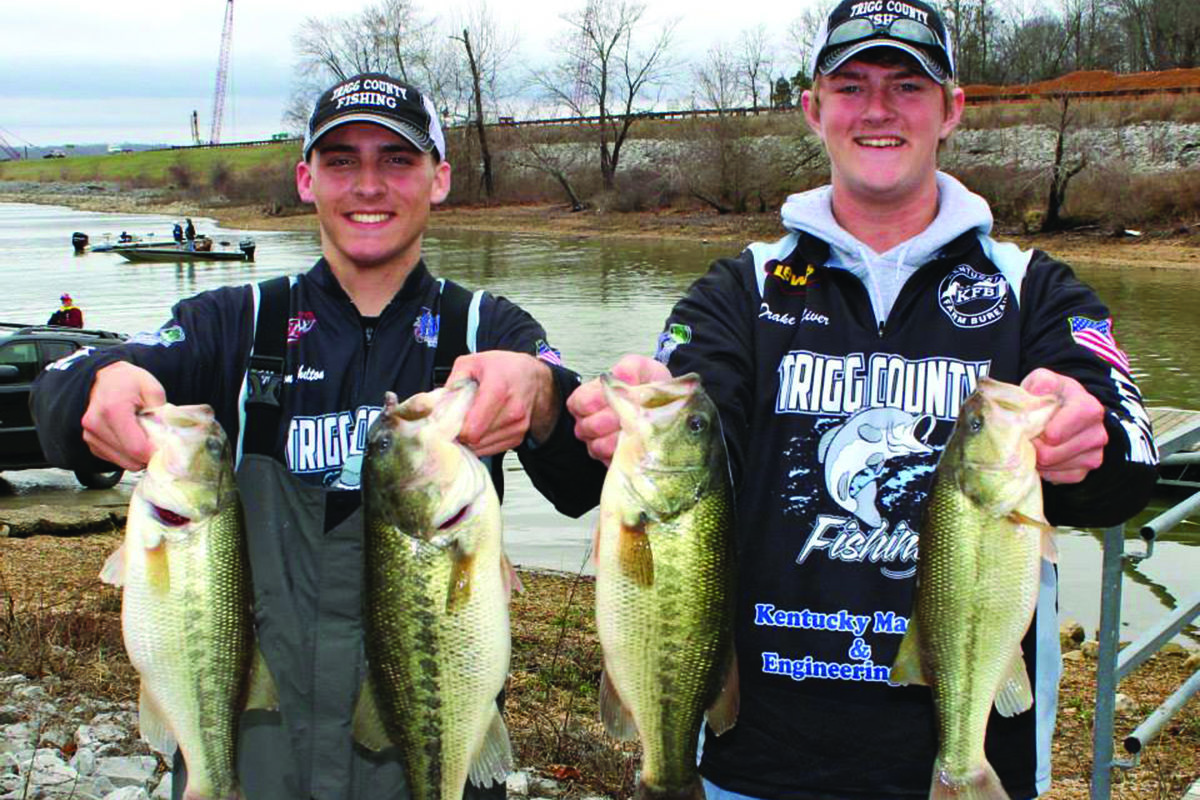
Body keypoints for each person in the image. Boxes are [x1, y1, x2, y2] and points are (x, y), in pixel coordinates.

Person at [567, 2, 1160, 799]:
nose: (878, 110)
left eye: (907, 85)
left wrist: (1091, 439)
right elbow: (704, 430)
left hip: (969, 756)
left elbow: (1131, 463)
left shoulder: (1036, 288)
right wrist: (635, 416)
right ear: (814, 111)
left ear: (953, 108)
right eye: (851, 86)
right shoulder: (738, 289)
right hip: (759, 762)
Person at [32, 72, 606, 800]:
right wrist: (94, 387)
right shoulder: (235, 323)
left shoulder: (488, 331)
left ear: (440, 180)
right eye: (342, 161)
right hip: (255, 763)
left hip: (428, 751)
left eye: (397, 160)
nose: (369, 184)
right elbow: (63, 390)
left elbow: (586, 483)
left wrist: (546, 395)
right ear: (307, 179)